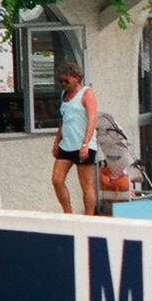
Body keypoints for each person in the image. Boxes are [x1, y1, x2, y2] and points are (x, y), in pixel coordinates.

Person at [52, 63, 98, 214]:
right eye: (61, 82)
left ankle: (89, 216)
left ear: (77, 78)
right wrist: (57, 142)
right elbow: (64, 120)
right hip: (67, 144)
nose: (64, 84)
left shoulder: (87, 94)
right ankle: (68, 212)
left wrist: (85, 144)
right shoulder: (64, 95)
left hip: (82, 145)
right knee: (57, 180)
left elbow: (92, 119)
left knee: (85, 184)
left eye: (67, 81)